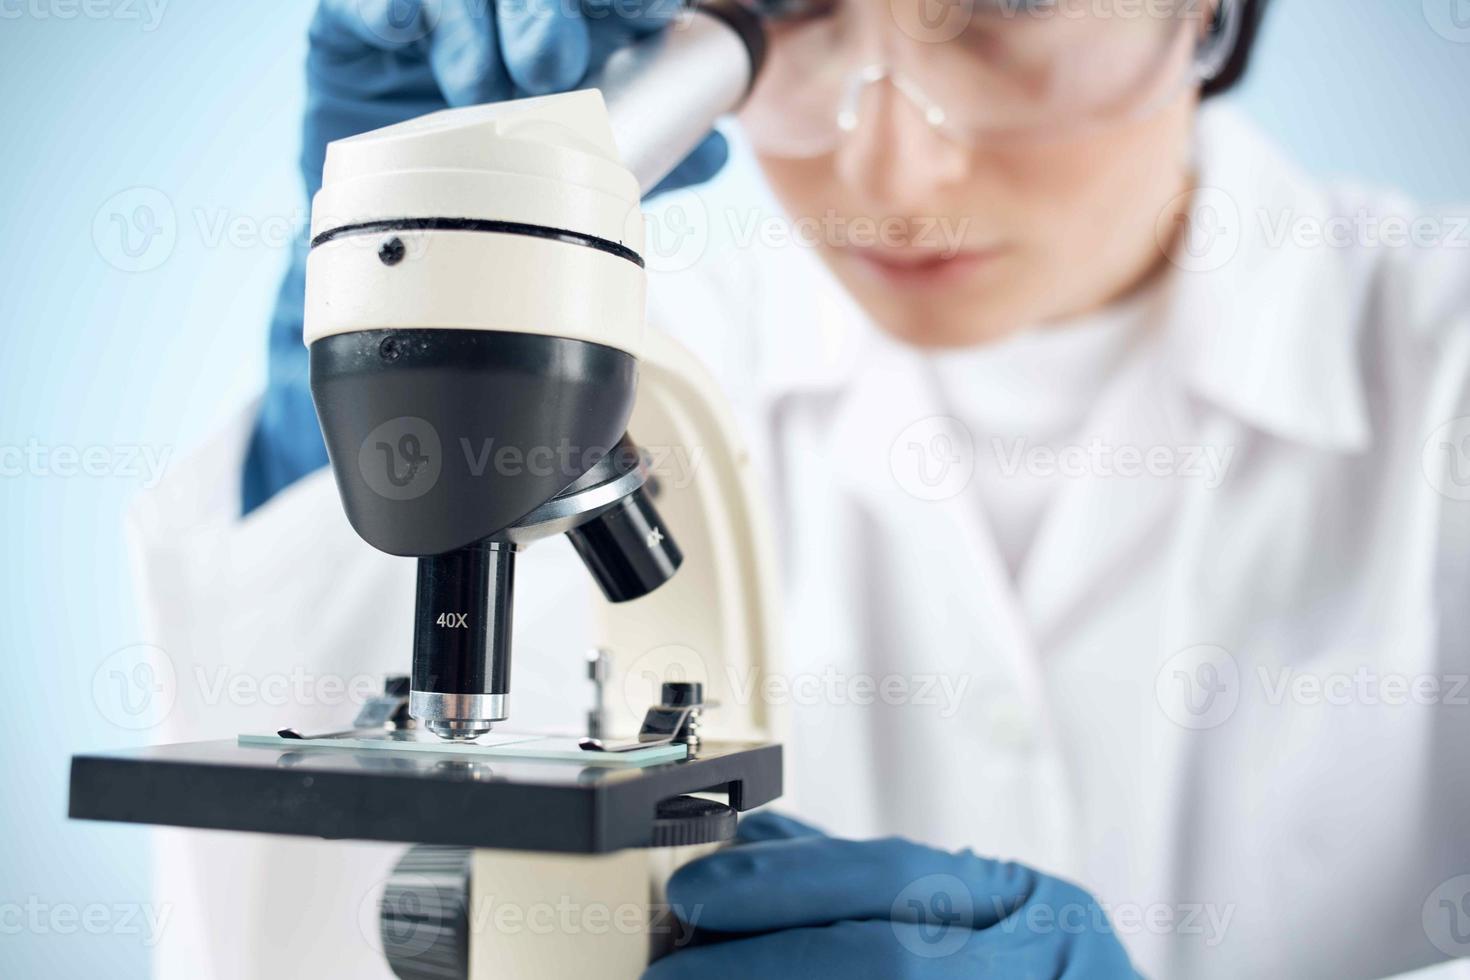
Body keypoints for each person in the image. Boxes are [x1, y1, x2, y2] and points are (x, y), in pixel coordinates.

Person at [129, 0, 1470, 977]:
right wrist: (355, 377)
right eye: (791, 15)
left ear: (1206, 16)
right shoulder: (616, 353)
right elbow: (283, 916)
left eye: (1005, 8)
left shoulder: (1442, 362)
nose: (895, 174)